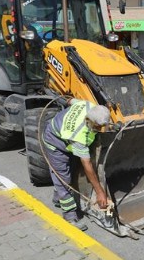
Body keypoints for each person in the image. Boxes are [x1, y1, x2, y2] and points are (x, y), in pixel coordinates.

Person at [42, 99, 110, 231]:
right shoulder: (78, 135)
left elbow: (71, 101)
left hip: (65, 136)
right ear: (88, 120)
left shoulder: (88, 105)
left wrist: (67, 100)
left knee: (71, 170)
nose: (98, 129)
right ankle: (70, 216)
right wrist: (100, 192)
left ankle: (57, 198)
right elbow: (87, 165)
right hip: (55, 143)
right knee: (64, 179)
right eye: (97, 127)